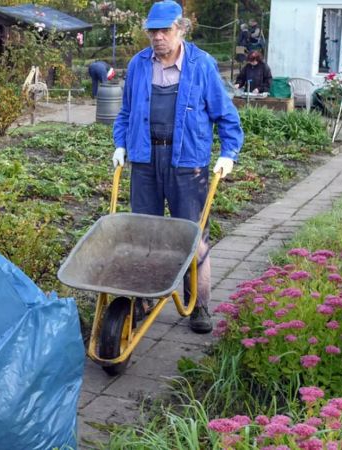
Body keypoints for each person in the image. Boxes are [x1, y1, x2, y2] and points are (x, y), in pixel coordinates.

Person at [112, 0, 244, 334]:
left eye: (164, 30)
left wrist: (229, 152)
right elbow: (126, 113)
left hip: (188, 164)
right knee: (144, 235)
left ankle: (199, 306)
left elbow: (226, 115)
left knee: (192, 237)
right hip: (145, 159)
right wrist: (120, 143)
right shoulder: (139, 65)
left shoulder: (201, 65)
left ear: (180, 29)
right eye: (152, 30)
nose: (158, 37)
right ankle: (143, 299)